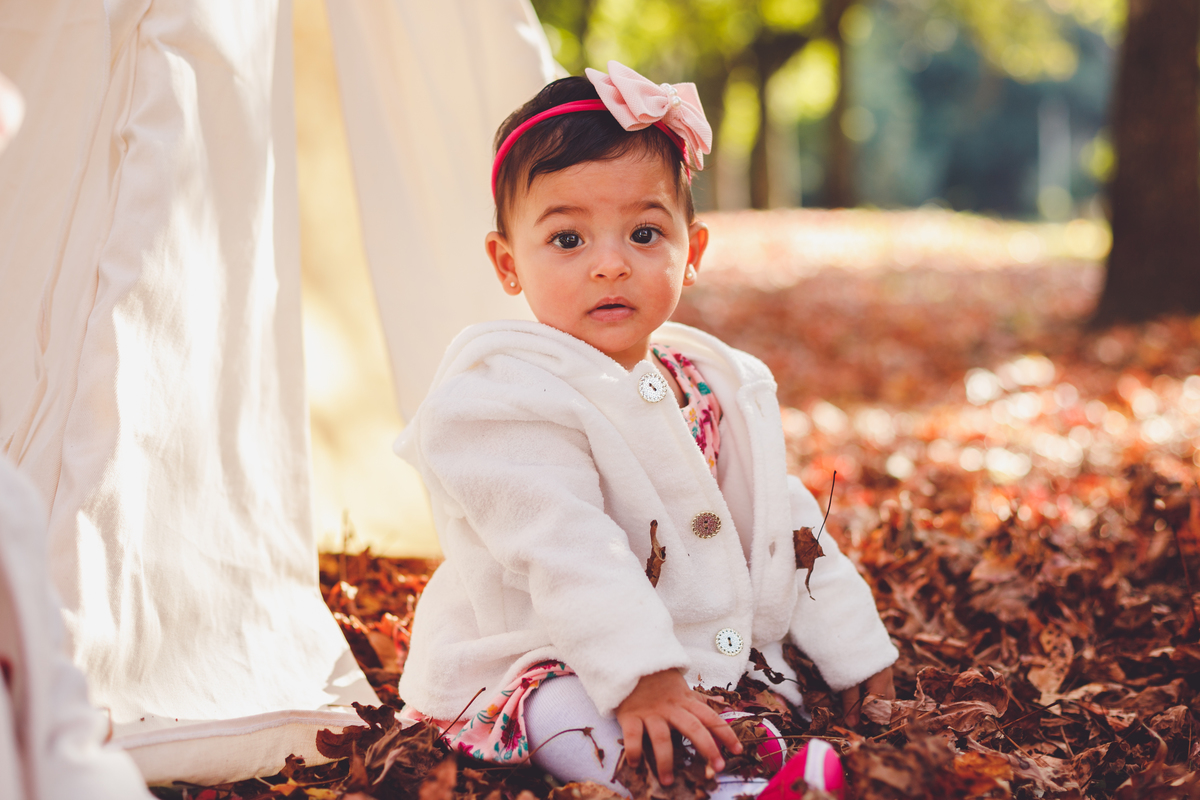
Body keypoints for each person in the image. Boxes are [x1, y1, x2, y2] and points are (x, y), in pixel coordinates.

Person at [394, 61, 898, 799]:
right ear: (509, 264)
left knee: (762, 687)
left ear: (690, 253)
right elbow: (565, 545)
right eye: (568, 240)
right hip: (547, 645)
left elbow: (777, 522)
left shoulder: (703, 383)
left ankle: (742, 757)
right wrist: (642, 674)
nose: (610, 265)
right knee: (561, 704)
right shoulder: (501, 399)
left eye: (643, 232)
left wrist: (855, 648)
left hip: (685, 651)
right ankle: (694, 786)